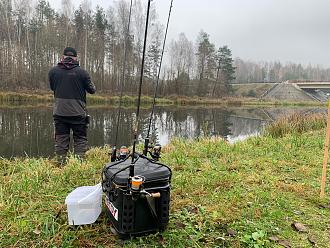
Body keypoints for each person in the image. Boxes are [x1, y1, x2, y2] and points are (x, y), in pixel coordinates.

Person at [49, 47, 96, 164]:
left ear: (63, 57)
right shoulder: (82, 73)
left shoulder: (53, 72)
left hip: (59, 113)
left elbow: (52, 87)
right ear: (75, 58)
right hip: (78, 113)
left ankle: (60, 165)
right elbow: (92, 90)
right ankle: (79, 165)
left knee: (61, 140)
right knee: (80, 140)